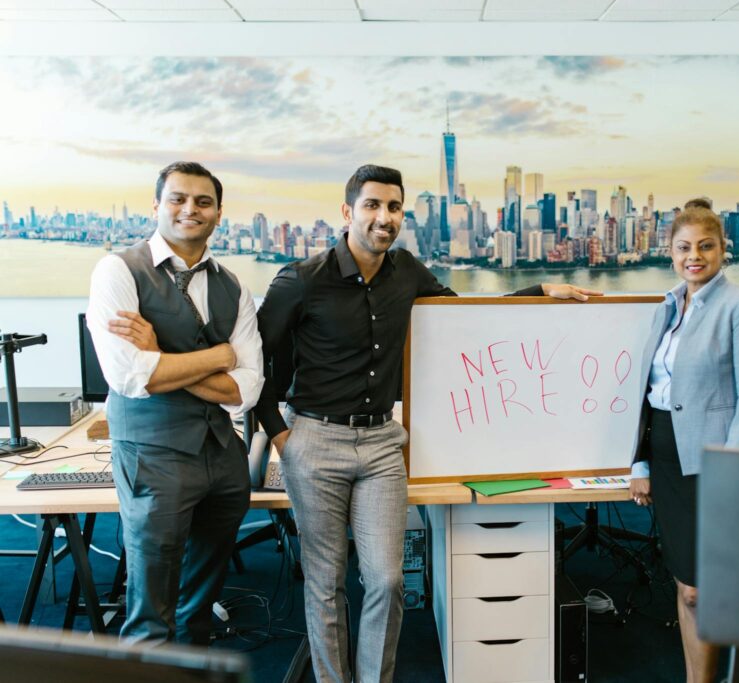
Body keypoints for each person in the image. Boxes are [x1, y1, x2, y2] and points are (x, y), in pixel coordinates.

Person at [255, 164, 598, 683]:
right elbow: (255, 360)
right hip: (315, 441)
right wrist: (281, 435)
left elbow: (464, 322)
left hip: (380, 444)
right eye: (372, 205)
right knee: (325, 582)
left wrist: (539, 291)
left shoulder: (408, 271)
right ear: (348, 212)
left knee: (387, 580)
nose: (384, 217)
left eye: (394, 208)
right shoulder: (301, 281)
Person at [86, 161, 263, 644]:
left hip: (223, 457)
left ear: (218, 213)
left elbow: (247, 387)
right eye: (178, 199)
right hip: (152, 454)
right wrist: (215, 357)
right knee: (151, 611)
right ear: (157, 206)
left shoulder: (234, 286)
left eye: (203, 202)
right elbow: (129, 375)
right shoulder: (118, 270)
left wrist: (162, 356)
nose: (191, 209)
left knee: (199, 607)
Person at [629, 200, 739, 683]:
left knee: (702, 589)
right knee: (685, 582)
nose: (695, 256)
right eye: (684, 247)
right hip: (667, 456)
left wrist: (728, 469)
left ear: (722, 250)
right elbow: (648, 394)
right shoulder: (668, 305)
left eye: (705, 246)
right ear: (670, 251)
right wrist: (640, 462)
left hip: (713, 461)